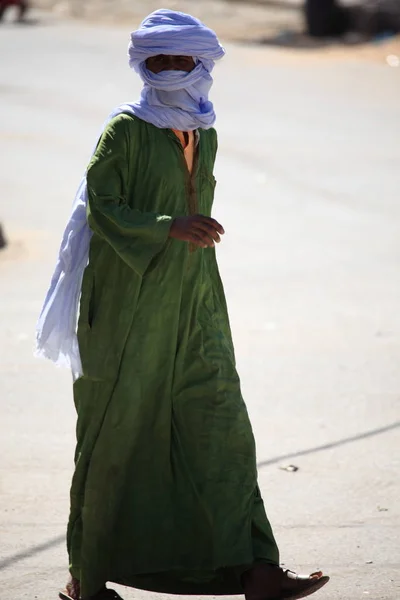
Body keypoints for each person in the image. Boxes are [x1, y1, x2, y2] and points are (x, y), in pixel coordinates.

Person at [36, 9, 330, 600]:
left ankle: (257, 568)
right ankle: (86, 582)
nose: (170, 72)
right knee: (116, 437)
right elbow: (104, 204)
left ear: (203, 63)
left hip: (196, 304)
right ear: (143, 65)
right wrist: (169, 227)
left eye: (180, 60)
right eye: (159, 61)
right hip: (126, 312)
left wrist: (188, 239)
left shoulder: (208, 132)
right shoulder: (124, 130)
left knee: (222, 428)